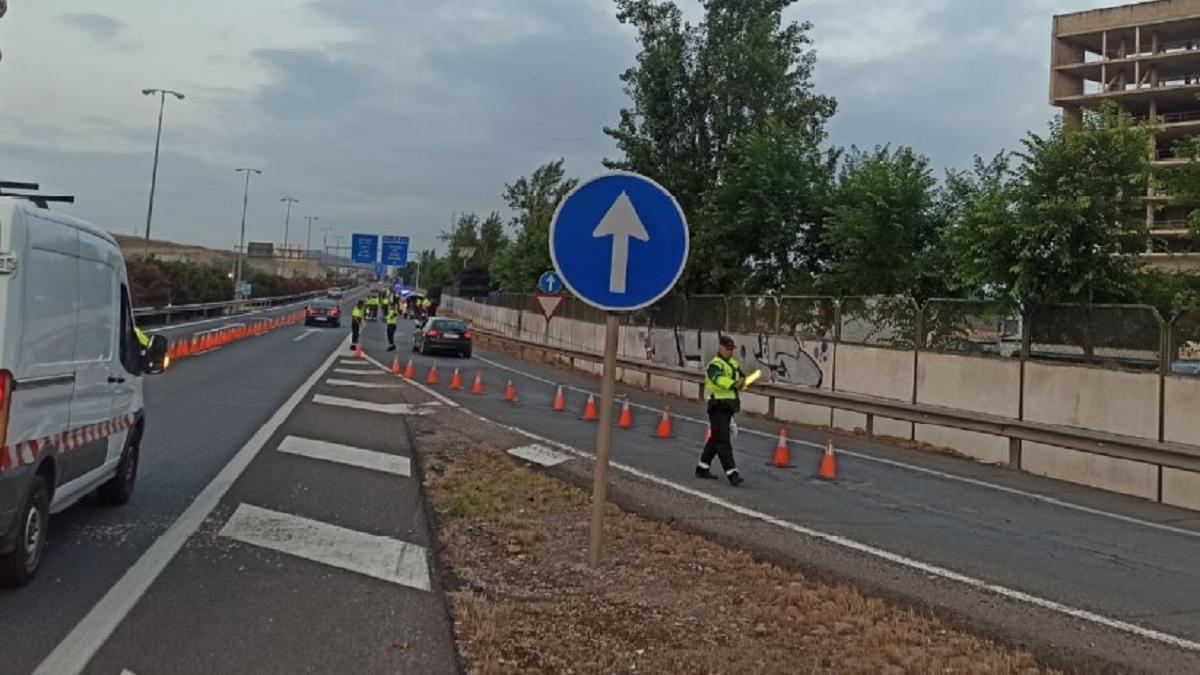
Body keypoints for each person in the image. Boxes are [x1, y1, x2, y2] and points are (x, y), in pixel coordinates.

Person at [697, 335, 745, 486]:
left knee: (716, 438)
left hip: (729, 407)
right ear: (720, 348)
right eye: (728, 349)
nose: (730, 352)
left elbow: (741, 378)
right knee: (723, 440)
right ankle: (732, 473)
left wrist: (743, 382)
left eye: (732, 349)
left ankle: (702, 467)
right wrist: (733, 384)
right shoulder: (714, 364)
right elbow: (717, 379)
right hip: (717, 406)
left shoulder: (734, 364)